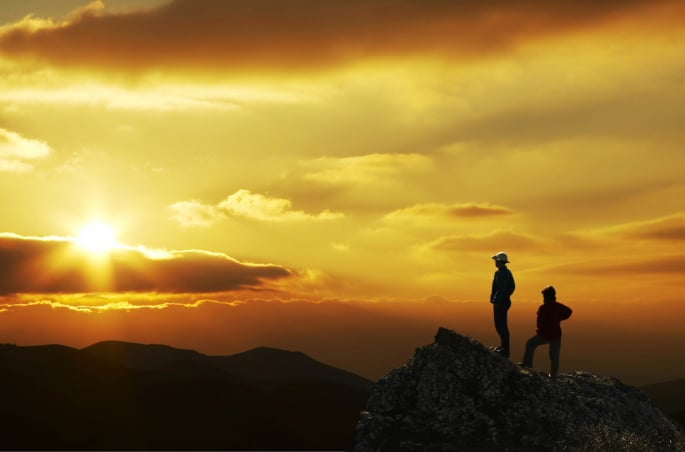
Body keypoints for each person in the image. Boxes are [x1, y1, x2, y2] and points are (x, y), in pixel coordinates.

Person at [518, 286, 573, 380]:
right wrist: (559, 318)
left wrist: (540, 331)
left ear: (546, 297)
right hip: (556, 334)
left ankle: (527, 366)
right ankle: (554, 377)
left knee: (530, 344)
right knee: (554, 356)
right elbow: (569, 311)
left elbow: (540, 323)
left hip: (545, 335)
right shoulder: (558, 306)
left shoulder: (543, 308)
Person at [490, 251, 515, 358]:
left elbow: (505, 288)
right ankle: (503, 347)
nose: (495, 262)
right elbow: (511, 287)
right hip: (500, 301)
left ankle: (505, 350)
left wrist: (500, 299)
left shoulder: (504, 273)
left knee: (502, 325)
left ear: (500, 261)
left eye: (496, 260)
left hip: (501, 302)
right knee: (499, 325)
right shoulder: (500, 273)